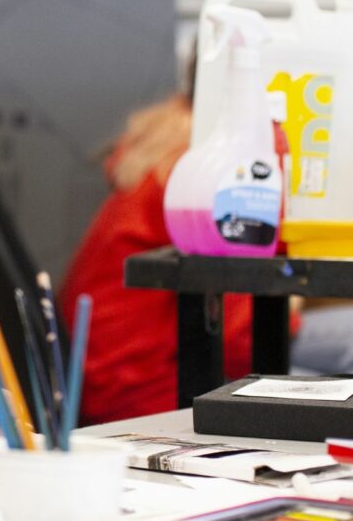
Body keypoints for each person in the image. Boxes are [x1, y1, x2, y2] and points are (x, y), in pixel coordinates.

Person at [61, 90, 353, 424]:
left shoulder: (176, 145)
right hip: (150, 391)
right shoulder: (225, 170)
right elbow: (242, 338)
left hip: (112, 379)